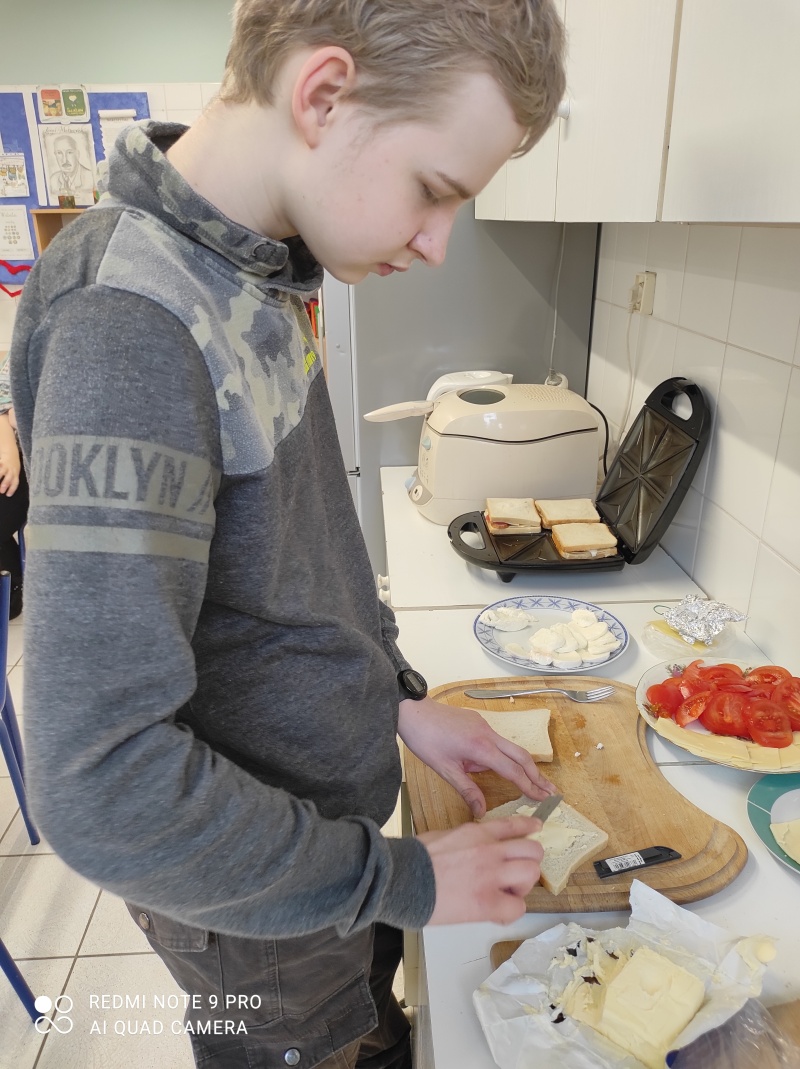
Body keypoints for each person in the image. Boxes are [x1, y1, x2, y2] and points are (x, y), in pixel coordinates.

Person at [10, 2, 566, 1066]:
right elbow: (102, 785)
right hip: (255, 905)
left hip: (324, 855)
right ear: (324, 95)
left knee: (366, 1023)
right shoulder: (129, 323)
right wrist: (400, 878)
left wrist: (394, 701)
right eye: (434, 189)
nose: (436, 242)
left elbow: (293, 573)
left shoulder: (251, 274)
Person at [0, 355, 26, 619]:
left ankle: (9, 595)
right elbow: (2, 402)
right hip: (13, 452)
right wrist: (9, 453)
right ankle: (10, 593)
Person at [47, 133, 95, 205]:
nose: (64, 160)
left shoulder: (91, 177)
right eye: (59, 153)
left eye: (69, 152)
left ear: (77, 154)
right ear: (55, 155)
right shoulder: (53, 180)